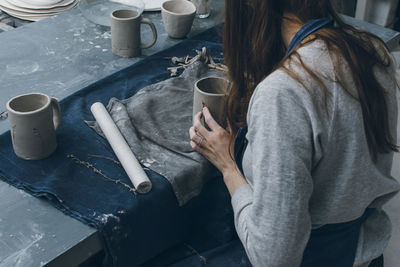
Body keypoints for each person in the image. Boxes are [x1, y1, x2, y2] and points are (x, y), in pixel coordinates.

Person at [189, 0, 400, 266]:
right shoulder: (373, 50)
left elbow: (273, 258)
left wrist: (229, 166)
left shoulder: (284, 92)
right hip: (366, 251)